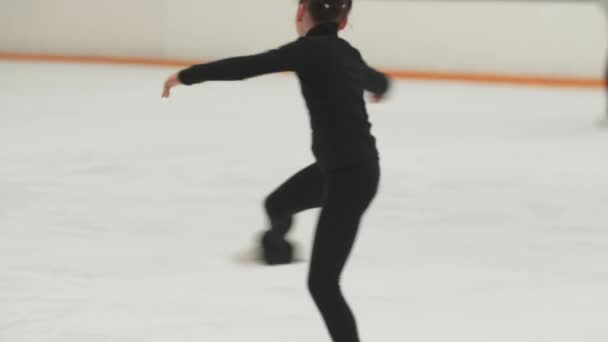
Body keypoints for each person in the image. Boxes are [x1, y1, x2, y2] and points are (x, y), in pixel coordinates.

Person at [162, 0, 390, 341]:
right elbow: (379, 82)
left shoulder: (304, 52)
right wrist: (381, 88)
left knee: (322, 285)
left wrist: (186, 75)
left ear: (300, 12)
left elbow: (245, 67)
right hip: (344, 170)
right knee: (277, 205)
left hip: (350, 181)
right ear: (344, 22)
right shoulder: (348, 54)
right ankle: (277, 250)